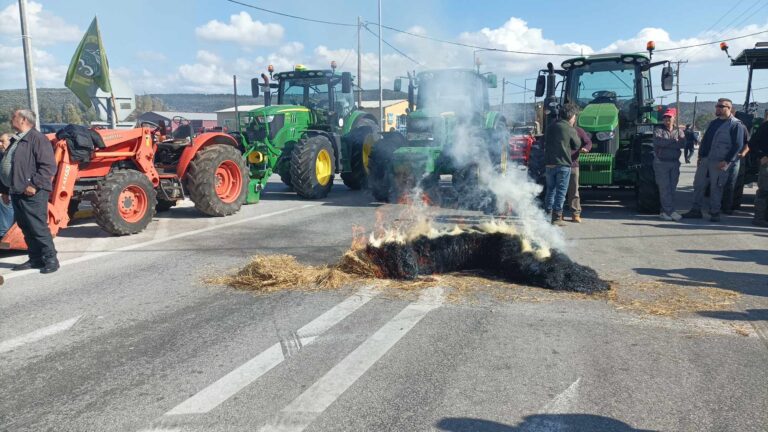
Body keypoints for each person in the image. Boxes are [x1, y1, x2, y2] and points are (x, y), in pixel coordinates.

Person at [0, 109, 59, 273]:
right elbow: (9, 166)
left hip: (32, 192)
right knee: (25, 226)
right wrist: (4, 190)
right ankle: (35, 259)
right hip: (17, 191)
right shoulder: (17, 140)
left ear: (24, 119)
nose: (11, 118)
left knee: (37, 226)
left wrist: (34, 185)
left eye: (14, 116)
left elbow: (48, 167)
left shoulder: (37, 139)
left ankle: (51, 259)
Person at [682, 98, 745, 222]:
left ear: (729, 108)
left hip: (720, 162)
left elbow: (738, 145)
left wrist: (727, 161)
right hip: (706, 160)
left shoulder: (736, 124)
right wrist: (700, 156)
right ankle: (695, 210)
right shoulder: (713, 123)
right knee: (698, 185)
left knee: (716, 187)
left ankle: (715, 212)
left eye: (721, 106)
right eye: (717, 106)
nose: (717, 108)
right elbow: (705, 141)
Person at [544, 103, 581, 226]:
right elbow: (576, 144)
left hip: (549, 164)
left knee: (550, 190)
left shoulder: (550, 126)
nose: (575, 118)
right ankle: (557, 217)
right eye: (575, 116)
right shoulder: (569, 128)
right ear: (571, 116)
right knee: (561, 192)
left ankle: (547, 214)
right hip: (563, 165)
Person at [653, 108, 686, 221]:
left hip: (674, 163)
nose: (667, 120)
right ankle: (669, 211)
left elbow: (682, 144)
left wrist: (668, 143)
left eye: (669, 118)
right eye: (665, 118)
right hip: (661, 163)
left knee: (672, 188)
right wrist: (673, 141)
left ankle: (665, 210)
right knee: (664, 188)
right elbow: (658, 142)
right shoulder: (658, 130)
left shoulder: (679, 131)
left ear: (674, 118)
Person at [721, 120, 750, 214]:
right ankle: (720, 204)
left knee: (733, 183)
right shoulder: (721, 126)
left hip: (736, 158)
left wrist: (743, 153)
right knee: (721, 182)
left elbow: (747, 143)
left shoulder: (742, 127)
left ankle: (731, 206)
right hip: (721, 157)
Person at [565, 124, 592, 223]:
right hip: (559, 164)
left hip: (573, 164)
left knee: (574, 190)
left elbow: (588, 142)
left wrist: (586, 148)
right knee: (559, 191)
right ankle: (558, 214)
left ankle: (575, 214)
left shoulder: (578, 130)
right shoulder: (557, 128)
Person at [750, 110, 768, 227]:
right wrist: (761, 155)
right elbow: (752, 143)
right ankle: (759, 218)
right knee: (764, 191)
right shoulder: (765, 127)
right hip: (766, 164)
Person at [0, 133, 14, 237]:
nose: (0, 144)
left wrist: (4, 192)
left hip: (11, 190)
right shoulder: (2, 154)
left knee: (5, 205)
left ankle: (5, 233)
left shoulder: (14, 155)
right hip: (4, 189)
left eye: (2, 141)